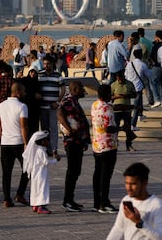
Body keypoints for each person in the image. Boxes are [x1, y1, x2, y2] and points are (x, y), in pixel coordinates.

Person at [106, 162, 162, 240]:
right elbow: (118, 228)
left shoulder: (157, 205)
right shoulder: (126, 199)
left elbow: (161, 237)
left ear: (144, 183)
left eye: (133, 184)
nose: (129, 188)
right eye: (126, 183)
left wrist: (139, 223)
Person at [0, 82, 30, 208]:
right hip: (19, 142)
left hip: (5, 143)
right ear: (18, 92)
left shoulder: (1, 106)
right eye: (24, 91)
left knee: (6, 172)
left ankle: (6, 199)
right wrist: (26, 143)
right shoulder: (22, 106)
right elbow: (23, 127)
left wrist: (0, 138)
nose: (25, 93)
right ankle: (20, 193)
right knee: (27, 168)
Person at [57, 80, 90, 212]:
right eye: (82, 88)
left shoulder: (75, 102)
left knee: (76, 171)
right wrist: (69, 129)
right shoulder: (68, 101)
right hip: (72, 142)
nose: (84, 91)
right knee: (72, 171)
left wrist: (85, 140)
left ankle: (70, 199)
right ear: (75, 89)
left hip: (78, 142)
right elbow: (59, 113)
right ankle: (67, 200)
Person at [92, 83, 119, 214]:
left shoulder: (95, 105)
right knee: (105, 176)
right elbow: (109, 127)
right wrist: (121, 128)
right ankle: (104, 202)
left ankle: (96, 202)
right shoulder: (107, 108)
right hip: (108, 145)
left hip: (97, 144)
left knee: (97, 174)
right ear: (108, 94)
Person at [22, 130, 61, 214]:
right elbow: (46, 162)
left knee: (36, 188)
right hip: (41, 174)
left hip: (37, 173)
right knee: (42, 188)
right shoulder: (41, 151)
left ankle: (35, 205)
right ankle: (41, 206)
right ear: (42, 141)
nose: (48, 142)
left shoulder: (38, 149)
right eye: (46, 140)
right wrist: (55, 160)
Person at [38, 55, 65, 155]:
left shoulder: (58, 75)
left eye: (48, 64)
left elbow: (63, 89)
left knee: (53, 128)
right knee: (44, 130)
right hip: (42, 107)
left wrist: (58, 102)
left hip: (53, 107)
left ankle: (54, 149)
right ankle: (46, 149)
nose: (46, 66)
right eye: (44, 64)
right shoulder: (40, 75)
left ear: (52, 64)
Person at [111, 70, 137, 152]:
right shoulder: (113, 85)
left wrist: (127, 96)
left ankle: (129, 145)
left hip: (127, 109)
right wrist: (116, 97)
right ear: (116, 78)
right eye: (118, 78)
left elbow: (135, 94)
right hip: (116, 110)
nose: (120, 80)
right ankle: (114, 144)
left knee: (128, 128)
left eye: (121, 78)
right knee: (115, 128)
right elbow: (109, 97)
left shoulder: (129, 84)